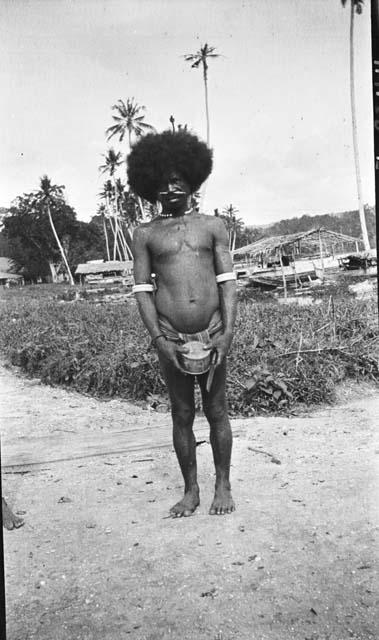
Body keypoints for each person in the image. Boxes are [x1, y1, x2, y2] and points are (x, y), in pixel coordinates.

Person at [128, 130, 237, 518]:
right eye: (164, 181)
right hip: (171, 334)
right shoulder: (145, 234)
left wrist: (226, 333)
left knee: (218, 410)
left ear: (193, 181)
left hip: (211, 331)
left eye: (179, 179)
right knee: (182, 414)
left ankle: (222, 485)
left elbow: (228, 282)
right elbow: (142, 290)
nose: (172, 187)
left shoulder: (213, 226)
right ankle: (190, 491)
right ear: (152, 187)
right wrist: (159, 338)